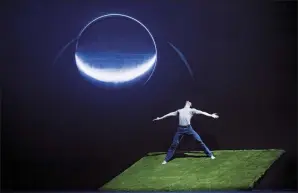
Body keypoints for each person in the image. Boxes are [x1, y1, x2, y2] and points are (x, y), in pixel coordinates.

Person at [153, 101, 219, 164]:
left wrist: (211, 115)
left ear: (190, 104)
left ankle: (210, 155)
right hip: (180, 129)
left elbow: (202, 112)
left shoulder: (192, 110)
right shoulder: (180, 110)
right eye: (187, 101)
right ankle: (166, 160)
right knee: (174, 144)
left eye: (189, 102)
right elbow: (170, 114)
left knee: (199, 140)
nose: (188, 101)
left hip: (188, 128)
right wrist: (160, 118)